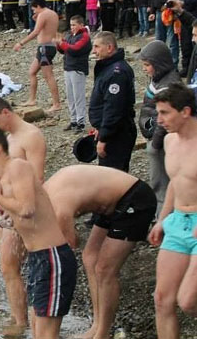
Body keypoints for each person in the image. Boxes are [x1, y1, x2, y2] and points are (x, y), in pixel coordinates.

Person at [0, 128, 76, 339]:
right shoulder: (3, 178)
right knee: (37, 330)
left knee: (45, 334)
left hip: (52, 258)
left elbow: (27, 209)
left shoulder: (17, 166)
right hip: (39, 258)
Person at [44, 166, 156, 339]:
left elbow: (70, 244)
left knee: (105, 269)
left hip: (134, 197)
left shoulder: (57, 206)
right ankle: (96, 325)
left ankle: (103, 332)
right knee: (89, 257)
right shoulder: (45, 193)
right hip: (109, 204)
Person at [0, 96, 46, 329]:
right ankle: (17, 316)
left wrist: (17, 209)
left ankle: (21, 322)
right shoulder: (8, 138)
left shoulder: (31, 135)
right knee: (7, 267)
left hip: (19, 210)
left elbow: (37, 178)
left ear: (6, 112)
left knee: (11, 265)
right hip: (4, 208)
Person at [148, 83, 197, 339]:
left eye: (165, 113)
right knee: (162, 299)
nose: (160, 120)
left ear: (185, 111)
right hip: (178, 220)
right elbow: (175, 184)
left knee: (188, 301)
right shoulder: (169, 141)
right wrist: (161, 220)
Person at [139, 41, 182, 216]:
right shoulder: (157, 80)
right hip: (155, 136)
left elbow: (164, 119)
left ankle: (163, 217)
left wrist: (154, 144)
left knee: (161, 181)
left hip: (161, 142)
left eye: (147, 65)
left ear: (159, 64)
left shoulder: (169, 84)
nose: (144, 69)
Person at [88, 32, 137, 172]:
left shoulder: (117, 73)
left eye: (97, 47)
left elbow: (114, 109)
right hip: (112, 131)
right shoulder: (108, 67)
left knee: (112, 178)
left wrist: (104, 138)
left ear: (109, 48)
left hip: (117, 134)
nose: (94, 51)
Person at [13, 0, 62, 112]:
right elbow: (47, 28)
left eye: (34, 9)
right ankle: (32, 99)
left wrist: (21, 43)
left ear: (38, 6)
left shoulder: (43, 14)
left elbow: (36, 31)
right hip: (47, 47)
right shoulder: (52, 13)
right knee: (32, 72)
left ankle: (56, 103)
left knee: (48, 76)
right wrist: (36, 19)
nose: (33, 12)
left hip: (45, 47)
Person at [54, 14, 92, 132]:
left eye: (74, 25)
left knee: (78, 96)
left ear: (81, 25)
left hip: (77, 69)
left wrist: (62, 43)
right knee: (70, 96)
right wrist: (58, 44)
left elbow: (75, 49)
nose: (72, 27)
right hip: (69, 68)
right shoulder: (70, 35)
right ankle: (73, 120)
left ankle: (80, 122)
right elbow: (64, 49)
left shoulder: (84, 36)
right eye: (71, 25)